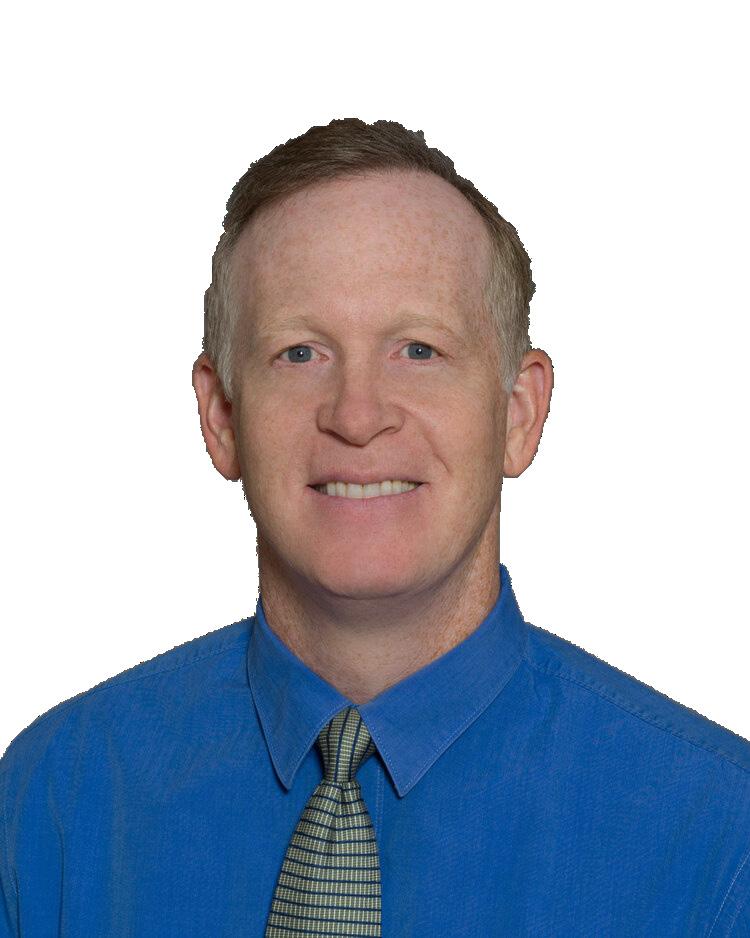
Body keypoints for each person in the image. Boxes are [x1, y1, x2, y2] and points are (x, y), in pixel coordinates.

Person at [1, 118, 748, 937]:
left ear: (518, 414)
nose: (357, 417)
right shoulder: (53, 805)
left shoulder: (719, 840)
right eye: (300, 353)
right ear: (220, 417)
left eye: (418, 350)